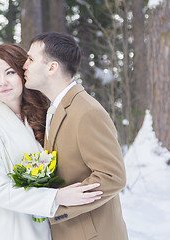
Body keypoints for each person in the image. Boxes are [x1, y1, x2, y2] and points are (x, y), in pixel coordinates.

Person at [0, 43, 103, 240]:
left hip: (51, 224)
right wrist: (56, 197)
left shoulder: (46, 115)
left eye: (9, 72)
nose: (2, 82)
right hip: (8, 226)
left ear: (23, 74)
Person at [23, 32, 128, 240]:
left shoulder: (87, 111)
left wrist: (57, 204)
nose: (24, 65)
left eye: (31, 59)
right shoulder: (56, 108)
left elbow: (112, 176)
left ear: (52, 68)